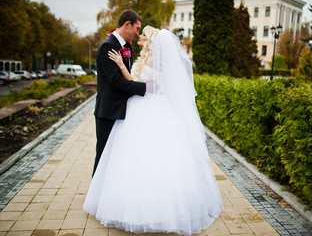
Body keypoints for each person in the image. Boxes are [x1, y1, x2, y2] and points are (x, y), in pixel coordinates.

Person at [83, 26, 223, 235]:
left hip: (147, 107)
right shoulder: (149, 58)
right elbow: (137, 82)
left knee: (146, 155)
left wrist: (122, 66)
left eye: (144, 34)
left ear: (151, 41)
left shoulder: (152, 60)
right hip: (148, 106)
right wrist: (122, 64)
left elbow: (138, 83)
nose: (140, 36)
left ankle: (145, 207)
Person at [93, 9, 147, 177]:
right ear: (126, 24)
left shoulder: (126, 47)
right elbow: (114, 80)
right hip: (108, 110)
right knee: (103, 153)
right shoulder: (107, 46)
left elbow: (127, 74)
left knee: (117, 154)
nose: (138, 34)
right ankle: (96, 195)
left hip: (122, 108)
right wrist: (143, 88)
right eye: (137, 29)